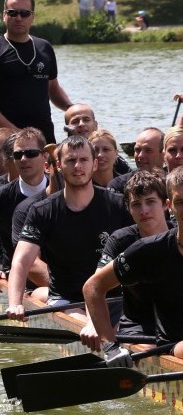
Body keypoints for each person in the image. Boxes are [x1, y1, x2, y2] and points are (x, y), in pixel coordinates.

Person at [81, 164, 183, 363]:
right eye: (180, 202)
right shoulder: (147, 250)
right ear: (170, 205)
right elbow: (93, 287)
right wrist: (110, 347)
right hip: (177, 346)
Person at [6, 135, 131, 321]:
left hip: (114, 298)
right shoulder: (42, 211)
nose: (78, 166)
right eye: (71, 160)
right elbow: (22, 261)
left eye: (83, 160)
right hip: (66, 300)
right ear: (59, 166)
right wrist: (15, 304)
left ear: (94, 164)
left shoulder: (119, 205)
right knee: (92, 324)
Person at [80, 170, 170, 344]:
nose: (144, 210)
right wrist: (93, 324)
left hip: (176, 323)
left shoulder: (180, 235)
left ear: (166, 204)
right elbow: (95, 285)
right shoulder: (121, 240)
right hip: (138, 327)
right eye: (136, 204)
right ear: (128, 209)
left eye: (150, 202)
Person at [0, 0, 73, 143]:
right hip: (8, 140)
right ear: (4, 15)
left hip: (45, 137)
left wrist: (72, 109)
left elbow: (53, 88)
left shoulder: (44, 47)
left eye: (24, 13)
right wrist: (15, 133)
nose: (18, 18)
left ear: (32, 17)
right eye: (13, 13)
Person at [0, 128, 48, 279]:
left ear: (45, 156)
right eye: (18, 155)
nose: (23, 159)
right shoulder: (2, 196)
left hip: (56, 273)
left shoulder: (62, 189)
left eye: (31, 153)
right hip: (15, 274)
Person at [108, 126, 165, 194]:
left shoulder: (173, 185)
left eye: (148, 150)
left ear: (163, 155)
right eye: (137, 150)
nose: (140, 155)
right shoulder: (118, 186)